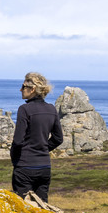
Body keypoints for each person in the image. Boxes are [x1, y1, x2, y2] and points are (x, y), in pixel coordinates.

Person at [11, 71, 64, 203]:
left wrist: (16, 159)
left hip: (25, 167)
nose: (20, 89)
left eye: (23, 86)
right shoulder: (51, 109)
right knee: (43, 206)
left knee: (23, 207)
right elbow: (58, 138)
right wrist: (44, 148)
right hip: (44, 167)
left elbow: (18, 141)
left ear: (32, 89)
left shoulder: (24, 109)